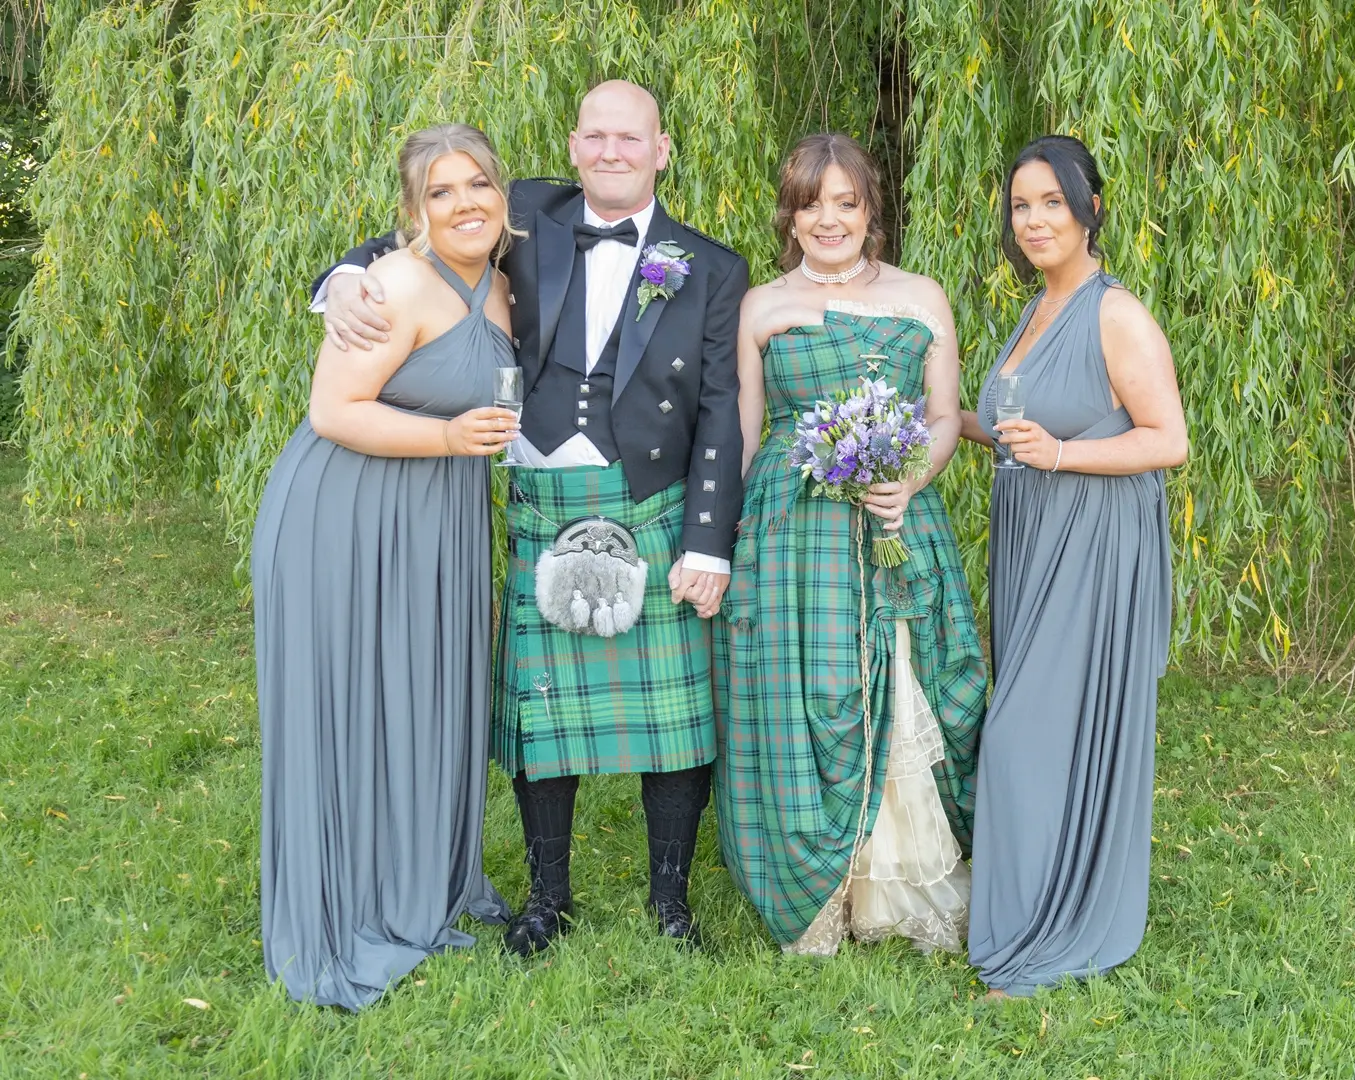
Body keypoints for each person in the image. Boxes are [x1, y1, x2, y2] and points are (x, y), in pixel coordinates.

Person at [315, 82, 747, 954]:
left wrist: (708, 543)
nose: (612, 151)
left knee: (674, 724)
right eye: (597, 137)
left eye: (631, 138)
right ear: (574, 146)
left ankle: (670, 902)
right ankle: (549, 898)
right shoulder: (521, 214)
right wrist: (348, 275)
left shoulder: (711, 266)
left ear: (662, 150)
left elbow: (720, 411)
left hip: (648, 498)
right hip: (542, 495)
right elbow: (416, 233)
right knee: (544, 719)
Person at [255, 124, 519, 1009]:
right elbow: (333, 410)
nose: (464, 204)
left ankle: (418, 884)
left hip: (437, 519)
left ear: (503, 191)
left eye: (477, 183)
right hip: (346, 514)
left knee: (422, 692)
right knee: (353, 701)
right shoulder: (391, 285)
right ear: (413, 209)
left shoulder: (503, 280)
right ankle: (347, 907)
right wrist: (448, 436)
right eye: (440, 191)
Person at [714, 133, 987, 954]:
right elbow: (746, 432)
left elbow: (943, 414)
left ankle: (903, 872)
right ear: (790, 216)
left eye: (846, 202)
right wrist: (730, 541)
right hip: (794, 531)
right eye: (810, 205)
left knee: (902, 671)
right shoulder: (761, 306)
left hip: (894, 514)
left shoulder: (920, 295)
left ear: (872, 211)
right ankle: (822, 878)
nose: (827, 220)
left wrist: (910, 481)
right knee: (813, 682)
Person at [959, 135, 1187, 997]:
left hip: (1093, 543)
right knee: (1034, 727)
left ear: (1091, 208)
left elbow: (1168, 439)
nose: (1034, 220)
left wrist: (1058, 455)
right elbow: (1017, 429)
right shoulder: (1037, 310)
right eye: (1021, 205)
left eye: (1052, 202)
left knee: (1022, 735)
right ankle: (1029, 906)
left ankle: (1052, 927)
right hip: (1032, 534)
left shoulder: (1114, 313)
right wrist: (929, 422)